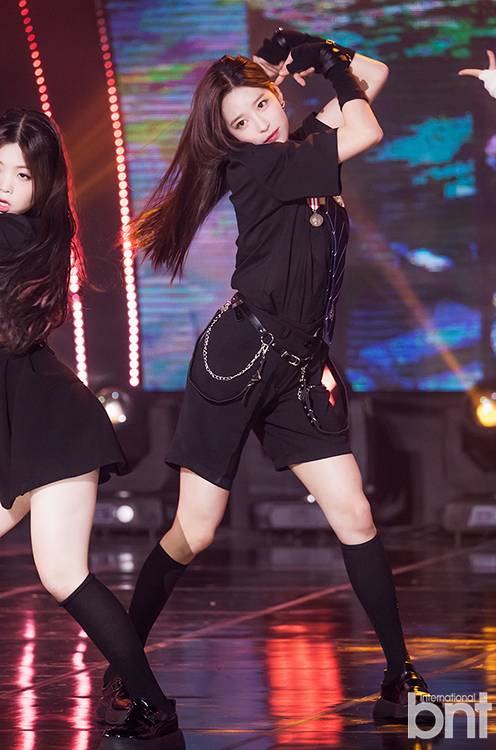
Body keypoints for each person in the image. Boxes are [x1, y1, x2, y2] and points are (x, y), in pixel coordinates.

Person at [100, 30, 438, 726]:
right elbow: (367, 125)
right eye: (240, 123)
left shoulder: (300, 147)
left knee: (355, 514)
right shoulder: (260, 167)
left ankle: (398, 677)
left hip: (299, 369)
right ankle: (125, 668)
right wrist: (331, 68)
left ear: (277, 95)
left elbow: (373, 74)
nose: (259, 126)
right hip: (237, 359)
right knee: (195, 530)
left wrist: (315, 48)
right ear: (227, 139)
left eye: (262, 106)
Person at [0, 109, 180, 745]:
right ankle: (152, 703)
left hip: (53, 429)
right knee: (63, 574)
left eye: (21, 174)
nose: (4, 185)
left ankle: (153, 705)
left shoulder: (21, 237)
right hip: (30, 427)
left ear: (42, 183)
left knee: (64, 573)